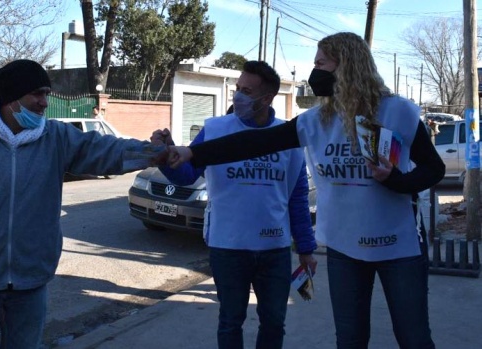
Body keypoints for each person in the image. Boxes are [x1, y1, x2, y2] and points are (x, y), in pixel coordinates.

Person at [168, 33, 445, 349]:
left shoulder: (398, 112)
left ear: (347, 65)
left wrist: (395, 180)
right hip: (345, 249)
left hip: (399, 246)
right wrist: (194, 153)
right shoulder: (318, 120)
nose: (314, 72)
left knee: (414, 339)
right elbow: (256, 142)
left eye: (320, 63)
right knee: (351, 340)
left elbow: (433, 169)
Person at [0, 59, 166, 349]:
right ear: (11, 98)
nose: (44, 103)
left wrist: (154, 152)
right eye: (37, 94)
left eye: (47, 94)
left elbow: (102, 150)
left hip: (30, 281)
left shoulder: (55, 137)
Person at [152, 60, 317, 349]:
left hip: (274, 250)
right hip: (228, 247)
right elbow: (188, 175)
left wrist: (305, 248)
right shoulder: (216, 130)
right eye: (237, 88)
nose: (238, 95)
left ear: (267, 99)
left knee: (274, 321)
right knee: (230, 320)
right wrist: (166, 155)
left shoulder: (287, 137)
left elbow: (297, 197)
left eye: (246, 91)